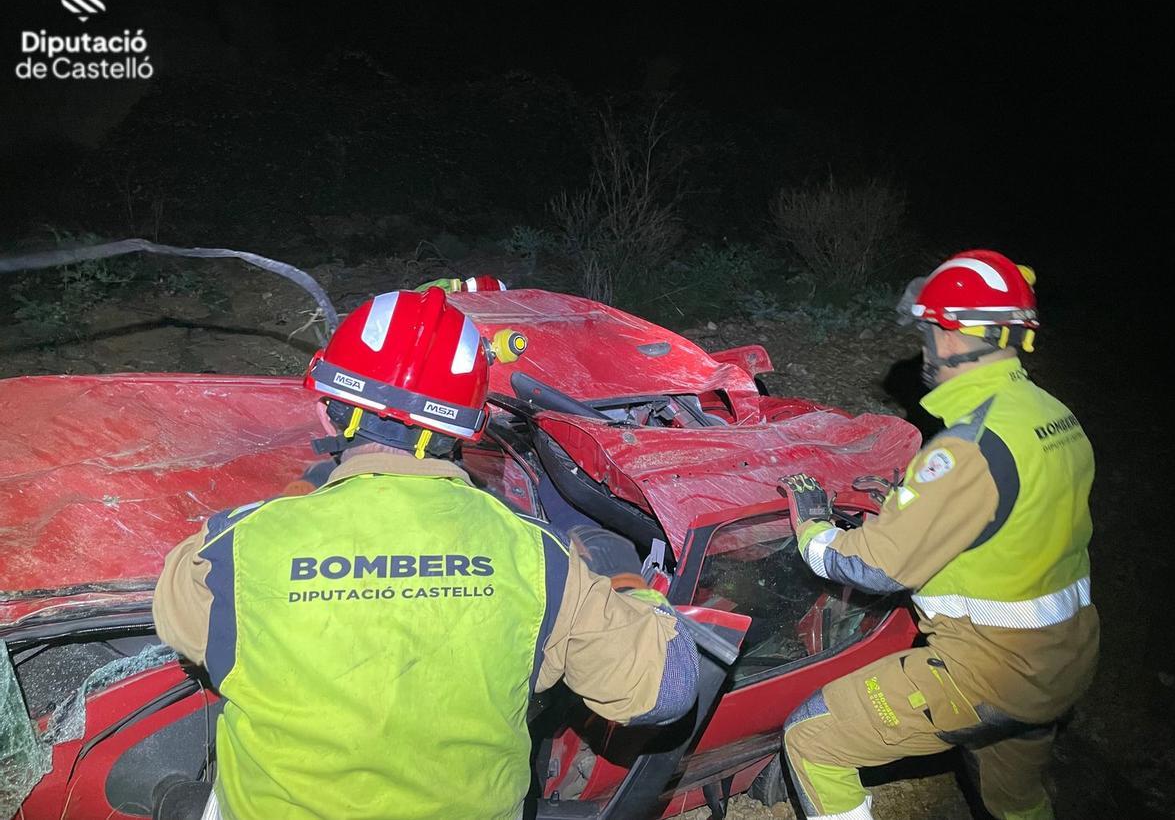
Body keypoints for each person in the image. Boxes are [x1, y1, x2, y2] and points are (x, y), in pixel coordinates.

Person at [153, 286, 698, 820]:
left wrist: (302, 539)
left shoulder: (235, 546)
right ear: (467, 431)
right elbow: (666, 692)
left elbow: (179, 624)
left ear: (326, 413)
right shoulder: (539, 557)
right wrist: (624, 580)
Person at [779, 249, 1098, 820]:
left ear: (952, 336)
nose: (925, 346)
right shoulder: (1052, 416)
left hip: (990, 671)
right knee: (1015, 800)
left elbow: (873, 567)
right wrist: (911, 503)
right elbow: (1005, 520)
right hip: (1062, 662)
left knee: (813, 738)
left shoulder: (968, 448)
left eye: (928, 332)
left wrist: (813, 528)